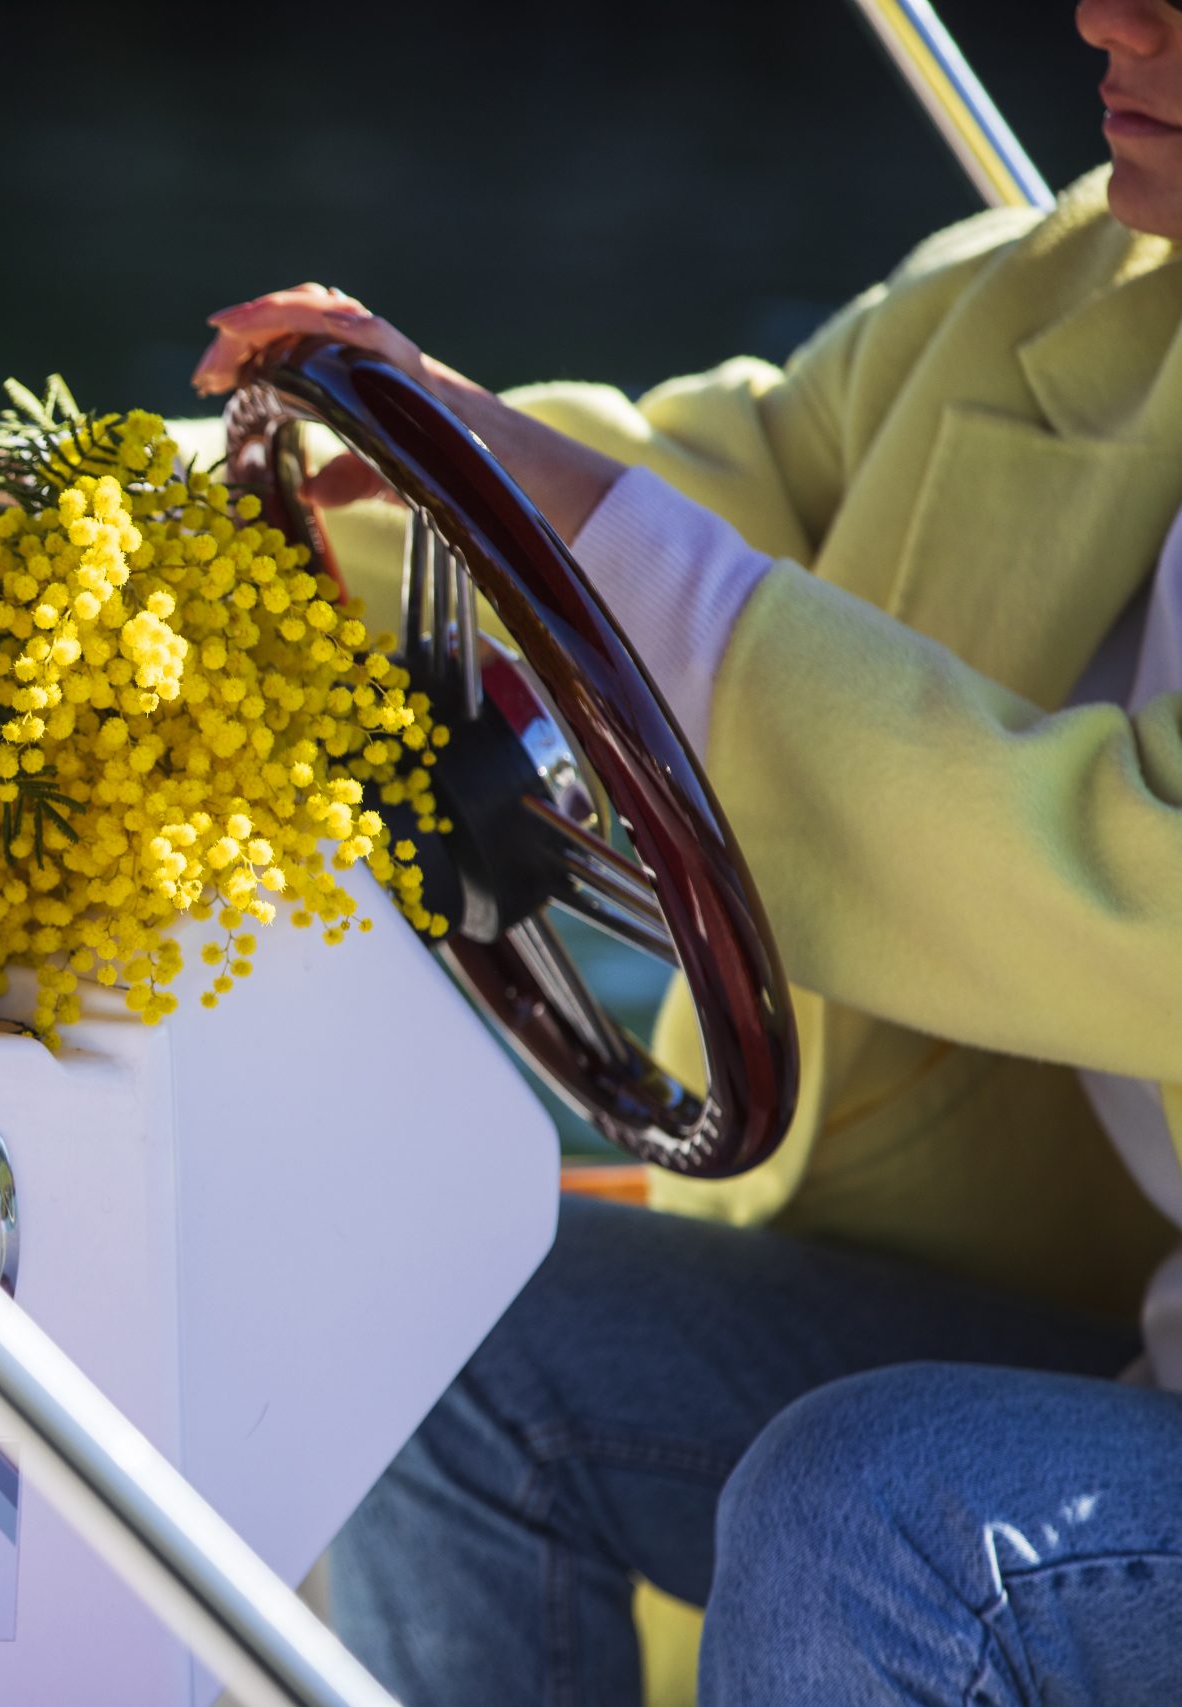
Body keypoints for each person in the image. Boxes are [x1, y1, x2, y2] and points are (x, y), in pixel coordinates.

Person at [190, 2, 1182, 1702]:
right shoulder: (1061, 297)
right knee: (453, 1326)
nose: (1109, 12)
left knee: (879, 1508)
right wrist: (77, 523)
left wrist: (578, 519)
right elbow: (701, 499)